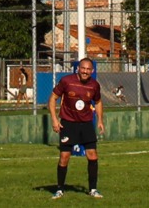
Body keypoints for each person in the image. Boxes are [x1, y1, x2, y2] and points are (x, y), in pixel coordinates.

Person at [47, 58, 105, 200]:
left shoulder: (94, 85)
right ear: (78, 68)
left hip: (86, 124)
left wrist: (100, 120)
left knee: (93, 156)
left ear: (92, 71)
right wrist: (55, 119)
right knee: (64, 157)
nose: (85, 71)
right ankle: (60, 189)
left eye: (88, 69)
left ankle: (93, 189)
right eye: (83, 68)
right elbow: (53, 98)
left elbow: (98, 102)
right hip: (68, 124)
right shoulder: (67, 81)